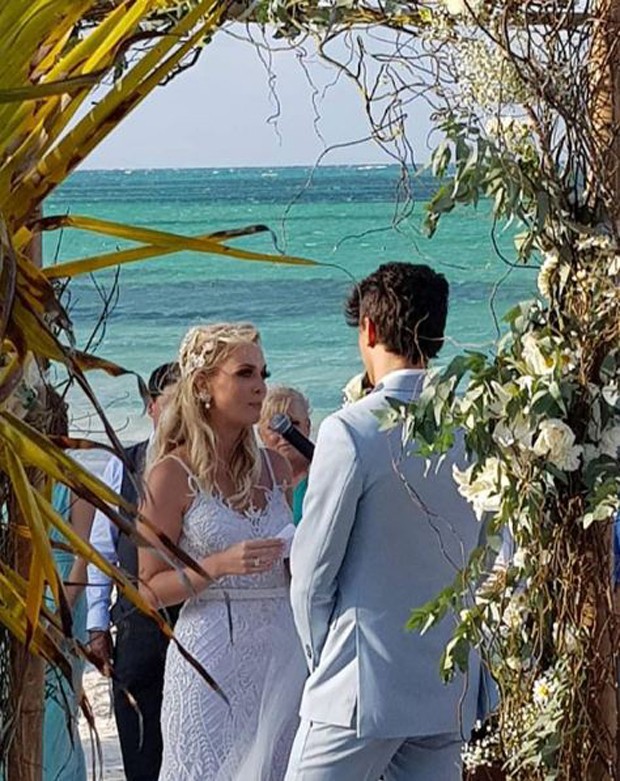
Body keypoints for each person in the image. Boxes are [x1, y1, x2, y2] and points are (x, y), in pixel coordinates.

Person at [286, 262, 482, 781]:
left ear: (369, 329)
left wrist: (322, 662)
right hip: (444, 683)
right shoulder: (472, 430)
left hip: (359, 686)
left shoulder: (351, 430)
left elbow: (311, 575)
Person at [138, 322, 303, 781]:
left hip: (281, 656)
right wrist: (216, 566)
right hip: (209, 657)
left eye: (263, 374)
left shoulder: (274, 467)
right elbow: (147, 590)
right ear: (204, 386)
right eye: (245, 374)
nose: (260, 387)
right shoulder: (170, 474)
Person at [86, 362, 180, 781]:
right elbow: (102, 547)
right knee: (141, 747)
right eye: (170, 402)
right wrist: (96, 624)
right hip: (137, 625)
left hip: (195, 621)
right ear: (151, 407)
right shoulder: (125, 463)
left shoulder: (210, 465)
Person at [43, 400, 94, 781]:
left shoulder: (73, 484)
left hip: (63, 604)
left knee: (58, 710)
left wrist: (61, 613)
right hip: (18, 604)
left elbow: (84, 558)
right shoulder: (13, 482)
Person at [259, 386, 312, 525]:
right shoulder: (255, 481)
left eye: (293, 424)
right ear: (261, 434)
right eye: (274, 427)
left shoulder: (323, 473)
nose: (285, 434)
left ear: (308, 426)